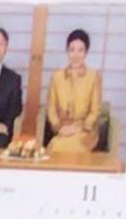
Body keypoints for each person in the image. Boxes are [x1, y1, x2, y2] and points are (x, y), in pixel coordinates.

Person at [43, 26, 110, 157]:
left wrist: (79, 128)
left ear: (86, 53)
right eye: (72, 50)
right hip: (62, 131)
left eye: (80, 50)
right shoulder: (56, 77)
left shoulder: (93, 77)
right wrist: (60, 128)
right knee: (58, 144)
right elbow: (51, 109)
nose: (76, 55)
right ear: (67, 51)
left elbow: (95, 111)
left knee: (62, 146)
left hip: (85, 132)